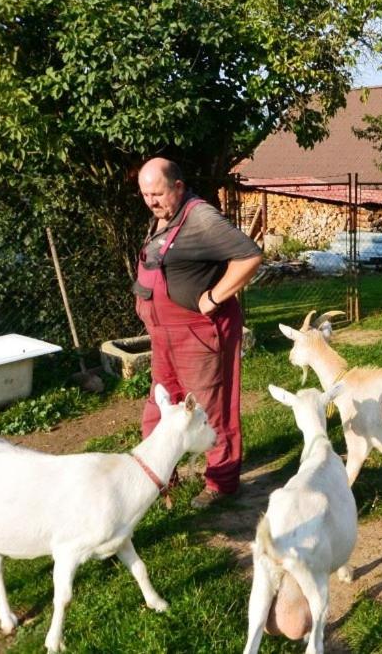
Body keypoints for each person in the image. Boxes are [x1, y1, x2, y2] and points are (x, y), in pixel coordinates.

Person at [133, 158, 263, 509]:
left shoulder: (201, 217)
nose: (151, 201)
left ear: (178, 186)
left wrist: (214, 297)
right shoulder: (163, 218)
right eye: (145, 194)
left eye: (157, 193)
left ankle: (220, 484)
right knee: (159, 408)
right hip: (165, 337)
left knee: (209, 410)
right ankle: (160, 480)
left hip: (199, 335)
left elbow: (250, 256)